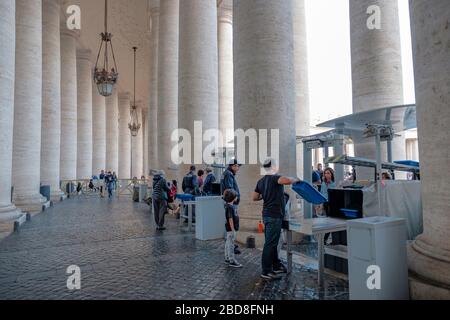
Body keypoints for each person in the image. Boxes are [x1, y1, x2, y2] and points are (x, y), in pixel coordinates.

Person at [253, 158, 300, 280]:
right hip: (274, 215)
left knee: (272, 242)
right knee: (270, 243)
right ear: (273, 167)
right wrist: (295, 180)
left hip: (266, 214)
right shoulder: (275, 177)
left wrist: (267, 195)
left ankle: (276, 265)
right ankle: (266, 271)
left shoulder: (261, 181)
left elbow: (255, 197)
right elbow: (286, 180)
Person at [221, 159, 242, 255]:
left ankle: (231, 245)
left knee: (229, 224)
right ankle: (231, 246)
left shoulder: (226, 173)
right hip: (231, 202)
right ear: (233, 166)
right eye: (237, 166)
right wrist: (234, 200)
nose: (238, 168)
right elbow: (230, 190)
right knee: (231, 225)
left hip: (229, 202)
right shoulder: (229, 174)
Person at [223, 189, 242, 268]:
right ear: (233, 198)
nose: (237, 197)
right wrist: (233, 229)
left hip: (230, 229)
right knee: (231, 244)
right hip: (231, 229)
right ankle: (231, 260)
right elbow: (230, 219)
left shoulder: (229, 206)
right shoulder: (229, 207)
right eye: (236, 196)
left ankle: (227, 257)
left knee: (228, 242)